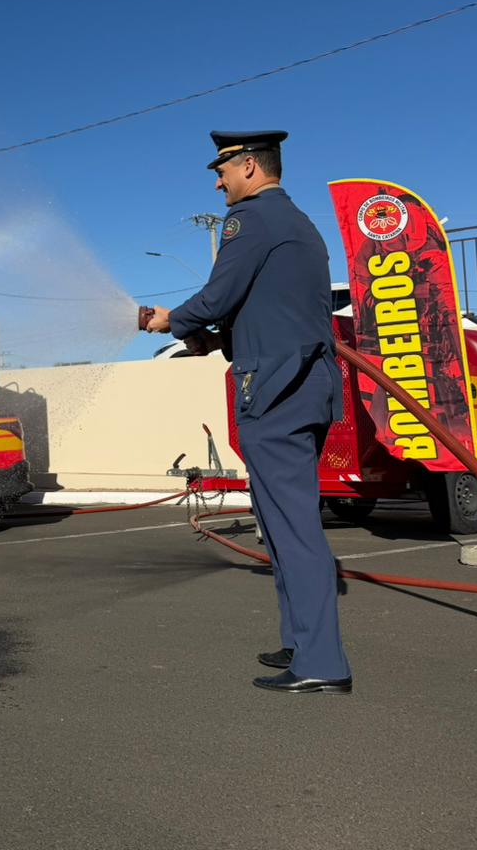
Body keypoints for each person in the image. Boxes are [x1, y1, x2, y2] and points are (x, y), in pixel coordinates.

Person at [145, 130, 352, 694]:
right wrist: (219, 341)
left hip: (277, 391)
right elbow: (279, 309)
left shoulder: (251, 220)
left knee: (293, 526)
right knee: (280, 521)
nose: (218, 184)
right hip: (302, 385)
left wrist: (171, 321)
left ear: (250, 168)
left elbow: (218, 295)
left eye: (223, 172)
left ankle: (322, 663)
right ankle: (300, 641)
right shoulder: (298, 223)